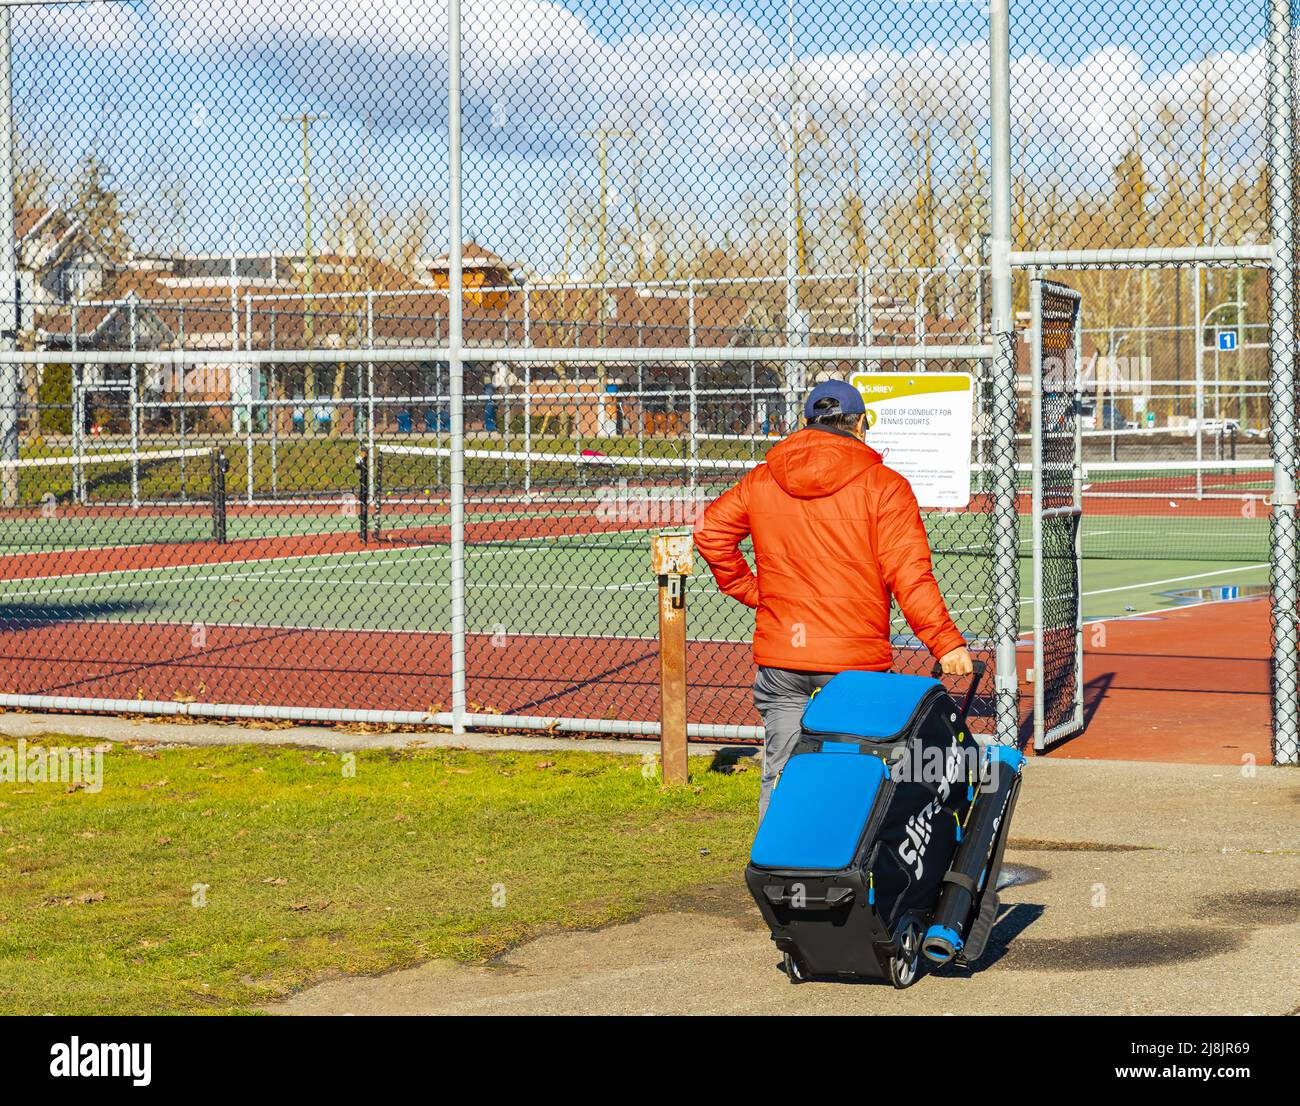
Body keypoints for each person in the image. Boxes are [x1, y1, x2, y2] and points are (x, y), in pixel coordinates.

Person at [693, 379, 973, 817]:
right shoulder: (885, 485)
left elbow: (711, 533)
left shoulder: (764, 479)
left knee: (781, 768)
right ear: (860, 424)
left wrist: (755, 592)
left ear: (806, 424)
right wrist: (946, 642)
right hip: (853, 656)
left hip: (783, 651)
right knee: (857, 768)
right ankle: (844, 869)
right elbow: (909, 574)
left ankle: (778, 869)